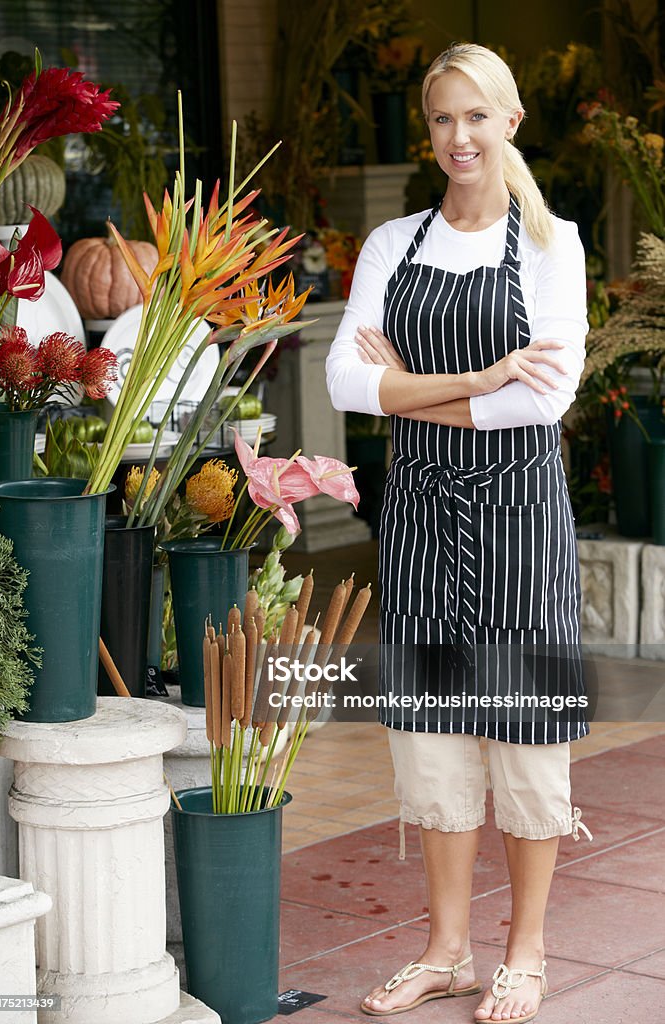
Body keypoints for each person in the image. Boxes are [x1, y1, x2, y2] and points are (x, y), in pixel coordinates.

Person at [325, 42, 593, 1024]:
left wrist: (414, 393)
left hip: (519, 511)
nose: (457, 136)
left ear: (509, 121)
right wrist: (481, 379)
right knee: (432, 734)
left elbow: (546, 398)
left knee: (521, 732)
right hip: (422, 517)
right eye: (441, 118)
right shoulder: (393, 245)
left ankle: (523, 952)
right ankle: (445, 950)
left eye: (474, 115)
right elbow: (346, 384)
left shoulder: (549, 245)